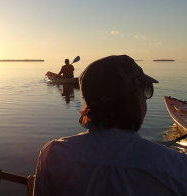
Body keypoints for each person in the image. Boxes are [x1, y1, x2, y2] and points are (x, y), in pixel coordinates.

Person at [30, 55, 187, 196]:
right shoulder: (178, 166)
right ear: (133, 100)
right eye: (145, 92)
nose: (146, 100)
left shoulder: (53, 156)